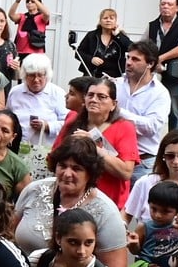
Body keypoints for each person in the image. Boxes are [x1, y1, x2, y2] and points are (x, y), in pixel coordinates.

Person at [13, 138, 130, 267]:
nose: (67, 174)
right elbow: (7, 235)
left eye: (76, 169)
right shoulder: (33, 190)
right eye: (62, 166)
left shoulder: (106, 212)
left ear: (90, 174)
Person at [54, 78, 138, 208]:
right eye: (90, 95)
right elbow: (52, 160)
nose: (94, 100)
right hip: (71, 201)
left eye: (101, 97)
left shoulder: (124, 127)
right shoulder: (72, 121)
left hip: (108, 203)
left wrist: (94, 146)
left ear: (113, 104)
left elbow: (125, 172)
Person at [115, 41, 173, 182]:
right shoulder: (115, 84)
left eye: (135, 59)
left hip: (142, 163)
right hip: (114, 160)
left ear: (150, 64)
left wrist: (118, 111)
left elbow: (151, 127)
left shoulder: (160, 93)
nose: (128, 62)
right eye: (128, 57)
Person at [147, 0, 178, 125]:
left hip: (174, 72)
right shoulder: (153, 25)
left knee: (174, 110)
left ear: (177, 8)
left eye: (169, 4)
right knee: (150, 105)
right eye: (163, 4)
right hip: (154, 72)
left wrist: (160, 58)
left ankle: (175, 140)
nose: (165, 7)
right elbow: (143, 44)